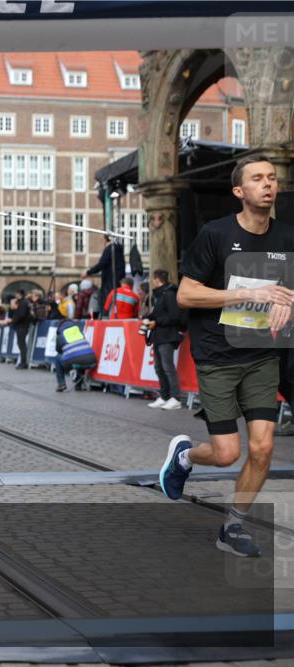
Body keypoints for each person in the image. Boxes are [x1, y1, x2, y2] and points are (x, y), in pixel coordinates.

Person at [159, 154, 292, 558]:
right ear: (239, 191)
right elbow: (185, 294)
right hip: (218, 353)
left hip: (263, 354)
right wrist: (247, 293)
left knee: (264, 447)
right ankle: (185, 455)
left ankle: (233, 527)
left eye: (272, 177)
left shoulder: (287, 237)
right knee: (226, 453)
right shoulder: (215, 234)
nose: (267, 184)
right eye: (257, 178)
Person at [145, 269, 185, 410]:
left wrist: (157, 322)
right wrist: (148, 318)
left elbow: (174, 316)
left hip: (167, 335)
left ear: (157, 280)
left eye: (153, 280)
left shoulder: (168, 294)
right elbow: (158, 314)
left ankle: (175, 398)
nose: (152, 283)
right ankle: (165, 396)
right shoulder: (160, 295)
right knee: (159, 367)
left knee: (167, 367)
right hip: (159, 335)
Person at [82, 235, 126, 318]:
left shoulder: (109, 249)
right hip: (117, 281)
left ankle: (105, 317)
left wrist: (88, 272)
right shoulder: (119, 251)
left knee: (106, 302)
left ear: (106, 240)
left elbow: (101, 264)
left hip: (109, 281)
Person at [53, 317, 97, 392]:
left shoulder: (60, 334)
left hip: (76, 361)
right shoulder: (79, 331)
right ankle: (78, 384)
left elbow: (58, 350)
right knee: (79, 355)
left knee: (58, 357)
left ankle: (61, 384)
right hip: (92, 361)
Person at [11, 290, 32, 369]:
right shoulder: (23, 302)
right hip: (21, 325)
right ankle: (23, 362)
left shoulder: (23, 303)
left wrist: (15, 320)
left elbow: (22, 314)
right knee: (21, 344)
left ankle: (23, 362)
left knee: (21, 344)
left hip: (22, 325)